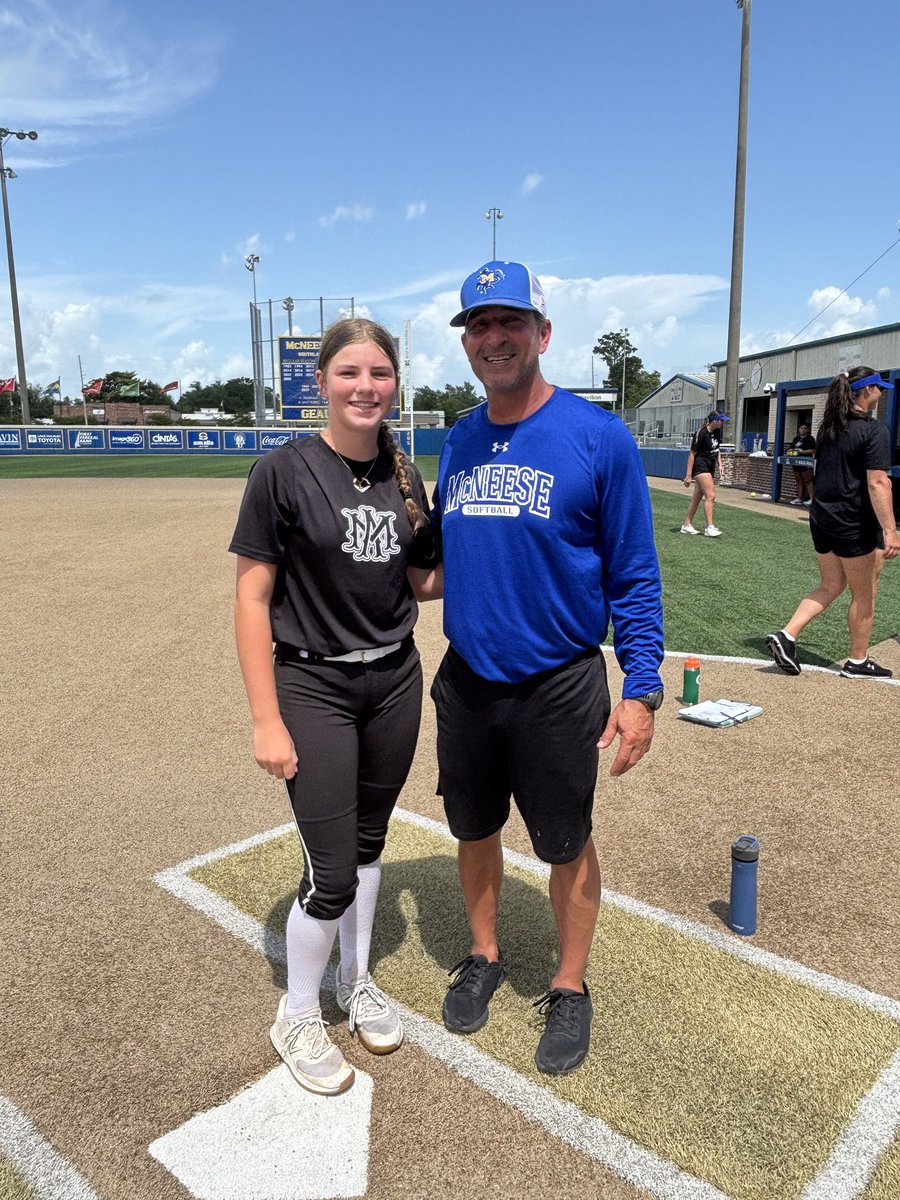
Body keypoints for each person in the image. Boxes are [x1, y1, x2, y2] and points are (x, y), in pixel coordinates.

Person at [429, 260, 664, 1076]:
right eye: (479, 325)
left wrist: (642, 690)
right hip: (468, 678)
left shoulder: (598, 437)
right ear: (468, 342)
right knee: (473, 829)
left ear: (542, 333)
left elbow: (635, 576)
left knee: (566, 842)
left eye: (509, 323)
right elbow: (445, 556)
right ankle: (485, 954)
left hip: (559, 683)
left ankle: (569, 985)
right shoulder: (459, 437)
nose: (493, 338)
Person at [229, 317, 437, 1095]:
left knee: (370, 845)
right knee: (331, 872)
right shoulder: (282, 472)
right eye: (349, 372)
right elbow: (252, 598)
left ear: (395, 383)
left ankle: (356, 981)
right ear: (320, 382)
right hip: (313, 687)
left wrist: (513, 551)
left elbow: (422, 582)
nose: (365, 387)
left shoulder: (404, 474)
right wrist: (265, 718)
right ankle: (296, 1013)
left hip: (394, 683)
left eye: (380, 373)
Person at [766, 366, 898, 679]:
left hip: (822, 519)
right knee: (864, 594)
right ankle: (857, 661)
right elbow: (878, 482)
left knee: (832, 584)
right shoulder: (874, 430)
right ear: (867, 390)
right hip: (853, 523)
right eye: (878, 389)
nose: (881, 394)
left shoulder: (829, 428)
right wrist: (891, 530)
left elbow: (821, 470)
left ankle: (786, 635)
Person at [680, 411, 729, 537]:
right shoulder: (701, 433)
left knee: (697, 498)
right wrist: (688, 475)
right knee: (711, 495)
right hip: (701, 466)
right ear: (715, 420)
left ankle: (686, 525)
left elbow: (717, 449)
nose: (723, 423)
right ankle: (709, 527)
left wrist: (720, 464)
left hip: (710, 466)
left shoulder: (717, 432)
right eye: (721, 420)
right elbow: (692, 454)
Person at [788, 422, 816, 506]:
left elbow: (813, 450)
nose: (803, 430)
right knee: (798, 480)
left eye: (805, 428)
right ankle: (799, 498)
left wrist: (801, 451)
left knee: (808, 480)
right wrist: (791, 451)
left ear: (807, 430)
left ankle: (812, 499)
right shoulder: (796, 439)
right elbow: (792, 448)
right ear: (799, 429)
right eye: (801, 428)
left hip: (805, 462)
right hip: (796, 462)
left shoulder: (810, 439)